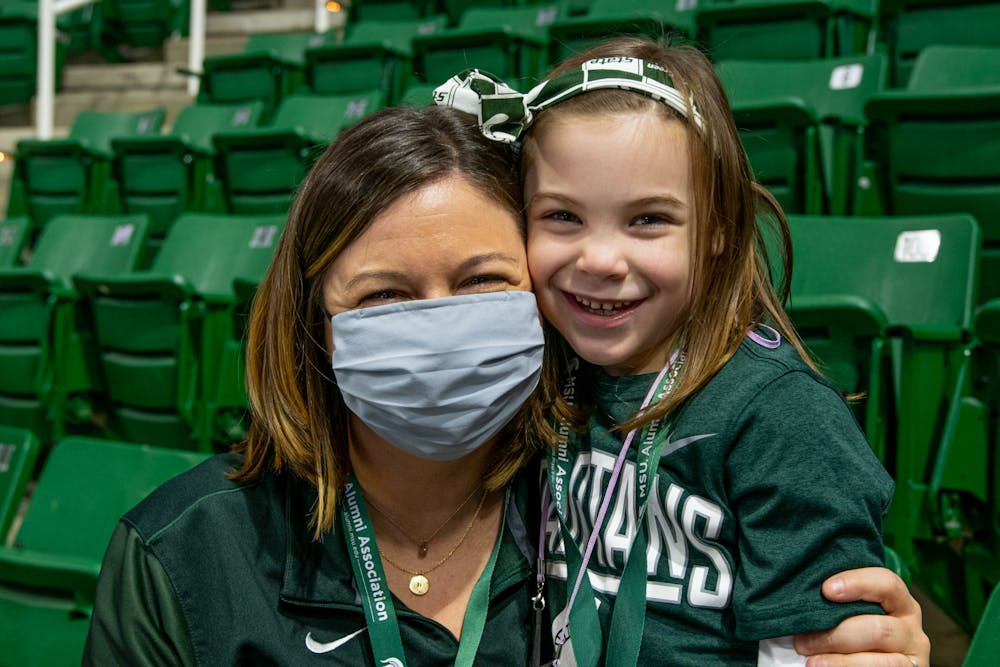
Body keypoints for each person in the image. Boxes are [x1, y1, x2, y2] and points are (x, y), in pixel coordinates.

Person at [82, 104, 929, 666]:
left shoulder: (610, 502)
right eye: (384, 296)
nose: (439, 322)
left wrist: (873, 649)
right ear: (318, 328)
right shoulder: (182, 557)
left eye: (486, 281)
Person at [435, 38, 928, 667]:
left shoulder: (780, 419)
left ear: (719, 227)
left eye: (647, 220)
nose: (600, 260)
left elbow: (831, 651)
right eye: (562, 216)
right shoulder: (536, 374)